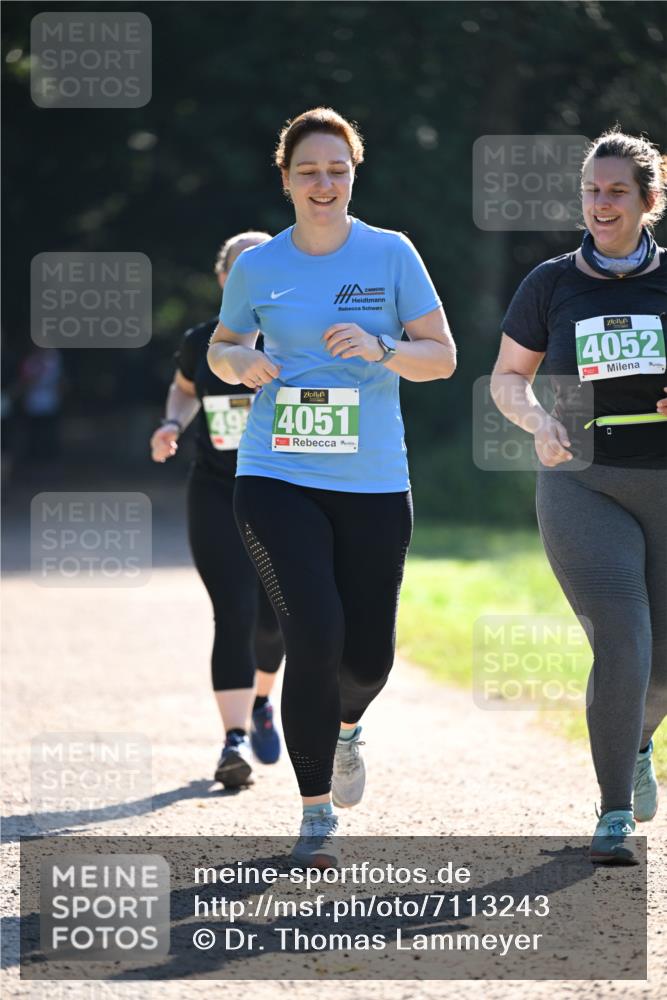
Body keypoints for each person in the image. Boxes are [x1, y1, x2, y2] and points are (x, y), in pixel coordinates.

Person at [208, 107, 456, 865]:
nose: (324, 183)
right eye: (308, 170)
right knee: (314, 633)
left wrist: (385, 347)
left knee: (367, 660)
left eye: (337, 169)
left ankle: (349, 727)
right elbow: (221, 348)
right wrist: (238, 364)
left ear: (354, 174)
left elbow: (441, 356)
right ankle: (314, 811)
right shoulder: (258, 267)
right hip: (276, 472)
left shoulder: (390, 255)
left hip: (374, 481)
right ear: (285, 180)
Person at [491, 128, 667, 864]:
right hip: (580, 481)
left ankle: (634, 744)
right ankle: (611, 814)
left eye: (615, 191)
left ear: (648, 200)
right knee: (622, 637)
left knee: (660, 666)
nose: (599, 203)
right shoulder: (550, 283)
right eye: (591, 190)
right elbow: (506, 377)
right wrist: (534, 422)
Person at [150, 231, 285, 789]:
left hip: (283, 493)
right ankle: (232, 743)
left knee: (274, 618)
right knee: (231, 610)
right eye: (239, 267)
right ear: (224, 278)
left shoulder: (296, 339)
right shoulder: (201, 342)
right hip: (214, 490)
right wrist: (171, 424)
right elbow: (184, 390)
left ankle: (260, 701)